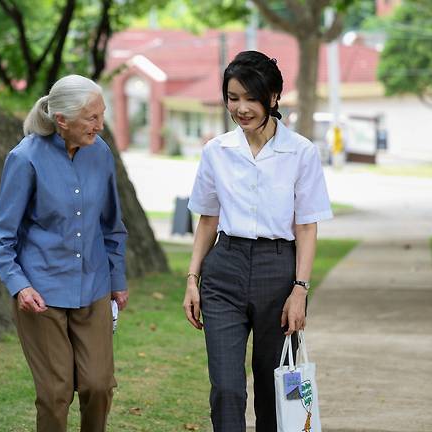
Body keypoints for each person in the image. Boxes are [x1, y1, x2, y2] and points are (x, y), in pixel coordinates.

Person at [182, 51, 333, 431]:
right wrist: (192, 279)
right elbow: (208, 219)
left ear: (274, 97)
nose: (242, 108)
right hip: (225, 270)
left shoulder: (300, 152)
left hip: (278, 270)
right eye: (233, 98)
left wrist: (300, 289)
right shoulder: (217, 151)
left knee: (274, 387)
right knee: (227, 389)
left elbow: (307, 226)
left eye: (251, 97)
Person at [0, 74, 128, 432]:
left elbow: (112, 224)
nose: (99, 125)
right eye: (91, 118)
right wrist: (20, 286)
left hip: (93, 286)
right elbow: (1, 236)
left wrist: (117, 279)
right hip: (42, 293)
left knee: (98, 385)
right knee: (55, 392)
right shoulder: (24, 159)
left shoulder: (100, 154)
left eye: (102, 114)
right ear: (61, 120)